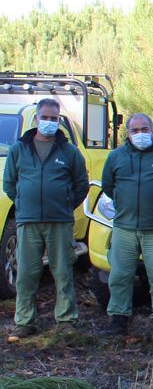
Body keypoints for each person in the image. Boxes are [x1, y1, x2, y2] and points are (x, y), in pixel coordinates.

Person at [2, 98, 89, 340]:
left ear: (58, 120)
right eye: (45, 118)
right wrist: (23, 203)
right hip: (28, 221)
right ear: (36, 119)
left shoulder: (69, 152)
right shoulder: (19, 149)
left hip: (59, 221)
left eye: (54, 118)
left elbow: (81, 185)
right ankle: (25, 321)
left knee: (62, 272)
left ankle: (66, 319)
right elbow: (9, 183)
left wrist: (65, 204)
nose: (49, 122)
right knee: (26, 274)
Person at [100, 113, 153, 341]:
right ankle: (118, 318)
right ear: (127, 133)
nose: (140, 134)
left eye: (144, 129)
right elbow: (108, 186)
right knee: (119, 274)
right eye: (135, 130)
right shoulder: (116, 157)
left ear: (152, 129)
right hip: (124, 228)